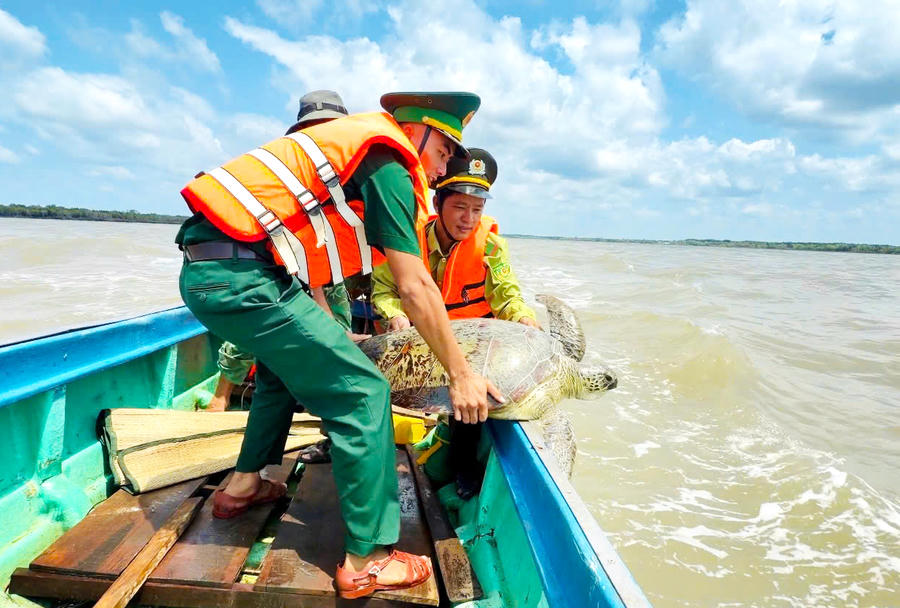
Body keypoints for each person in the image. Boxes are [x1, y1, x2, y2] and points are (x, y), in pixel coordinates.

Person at [176, 91, 504, 599]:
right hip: (244, 279)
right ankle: (369, 559)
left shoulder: (349, 157)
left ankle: (243, 486)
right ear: (418, 132)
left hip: (211, 271)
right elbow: (414, 285)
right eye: (443, 154)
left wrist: (333, 333)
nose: (440, 172)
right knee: (363, 391)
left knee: (280, 374)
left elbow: (299, 266)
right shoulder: (388, 160)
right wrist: (461, 374)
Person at [371, 148, 538, 499]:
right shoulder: (408, 241)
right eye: (460, 207)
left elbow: (507, 296)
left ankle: (464, 462)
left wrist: (525, 320)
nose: (468, 219)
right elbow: (384, 289)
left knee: (477, 392)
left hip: (471, 346)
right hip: (416, 340)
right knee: (370, 378)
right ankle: (365, 447)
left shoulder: (491, 246)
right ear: (438, 204)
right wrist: (396, 315)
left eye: (477, 210)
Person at [206, 90, 355, 413]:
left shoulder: (349, 176)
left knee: (340, 332)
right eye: (314, 133)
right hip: (280, 265)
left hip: (331, 267)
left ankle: (325, 395)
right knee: (257, 321)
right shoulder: (282, 178)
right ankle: (222, 397)